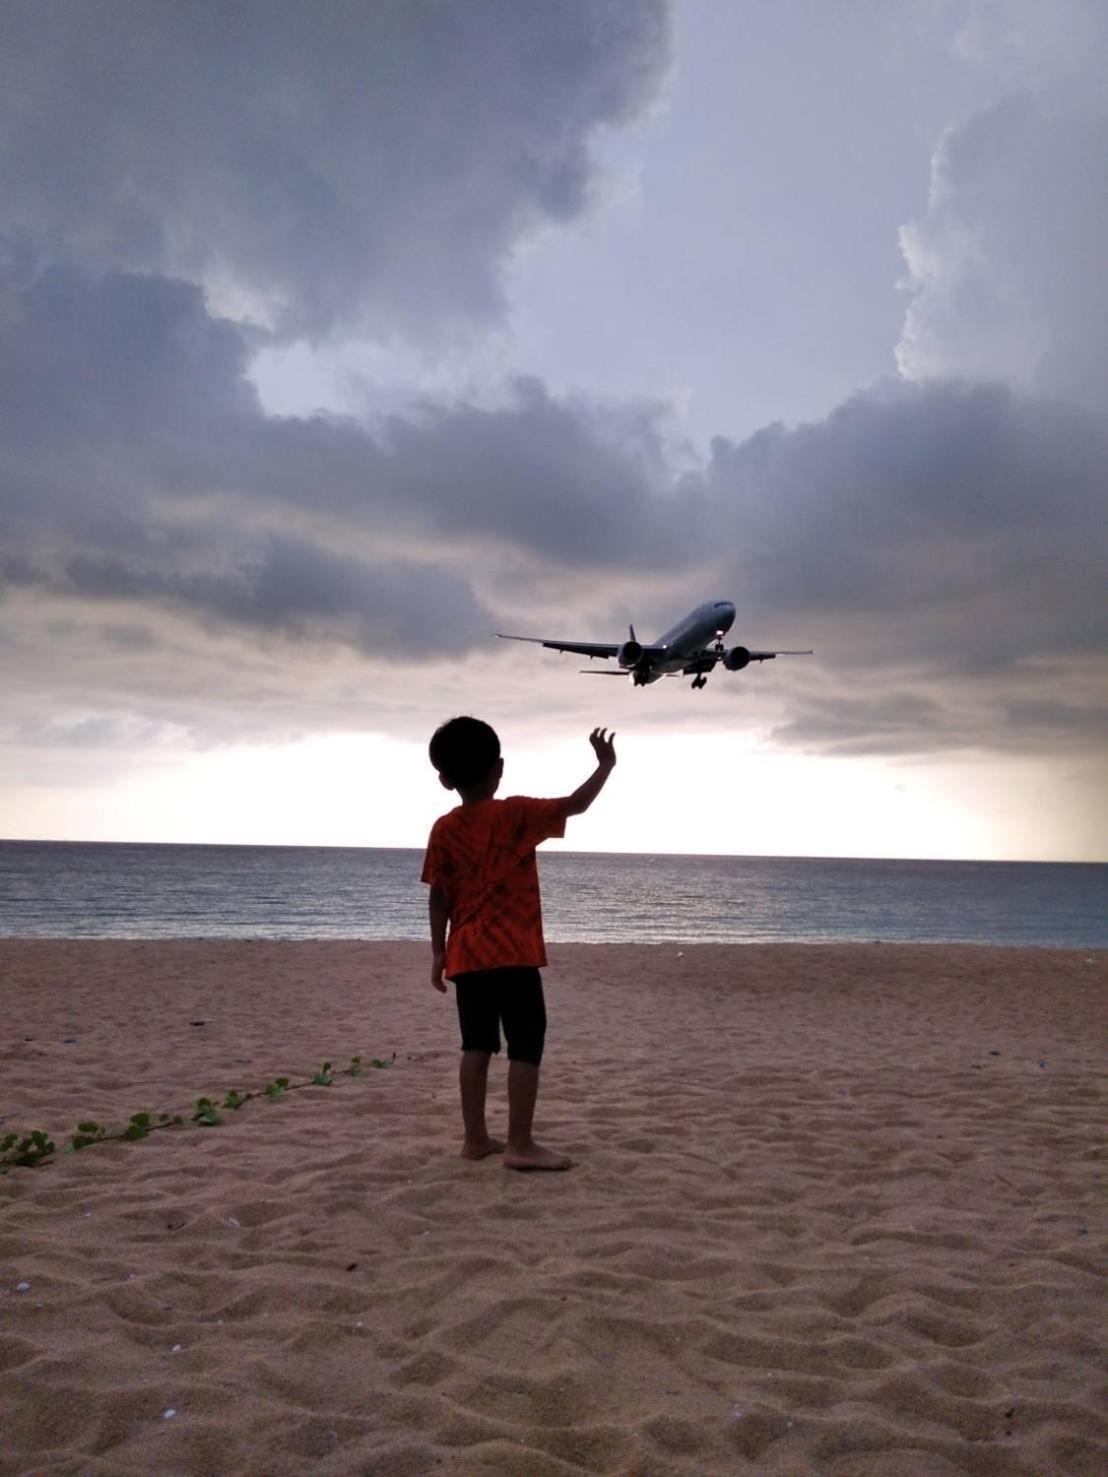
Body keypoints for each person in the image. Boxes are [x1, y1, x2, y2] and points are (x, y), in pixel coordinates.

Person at [421, 717, 617, 1171]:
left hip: (466, 955)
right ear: (499, 768)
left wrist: (437, 952)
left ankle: (475, 1139)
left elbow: (438, 893)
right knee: (526, 1043)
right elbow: (576, 805)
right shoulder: (515, 814)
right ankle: (520, 1144)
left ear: (445, 778)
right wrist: (605, 766)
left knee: (476, 1045)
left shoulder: (443, 829)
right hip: (513, 952)